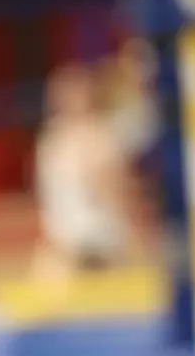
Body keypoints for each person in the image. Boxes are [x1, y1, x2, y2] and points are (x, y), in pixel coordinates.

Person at [31, 62, 141, 283]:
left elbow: (110, 188)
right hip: (76, 241)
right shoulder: (59, 139)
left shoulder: (85, 136)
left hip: (87, 240)